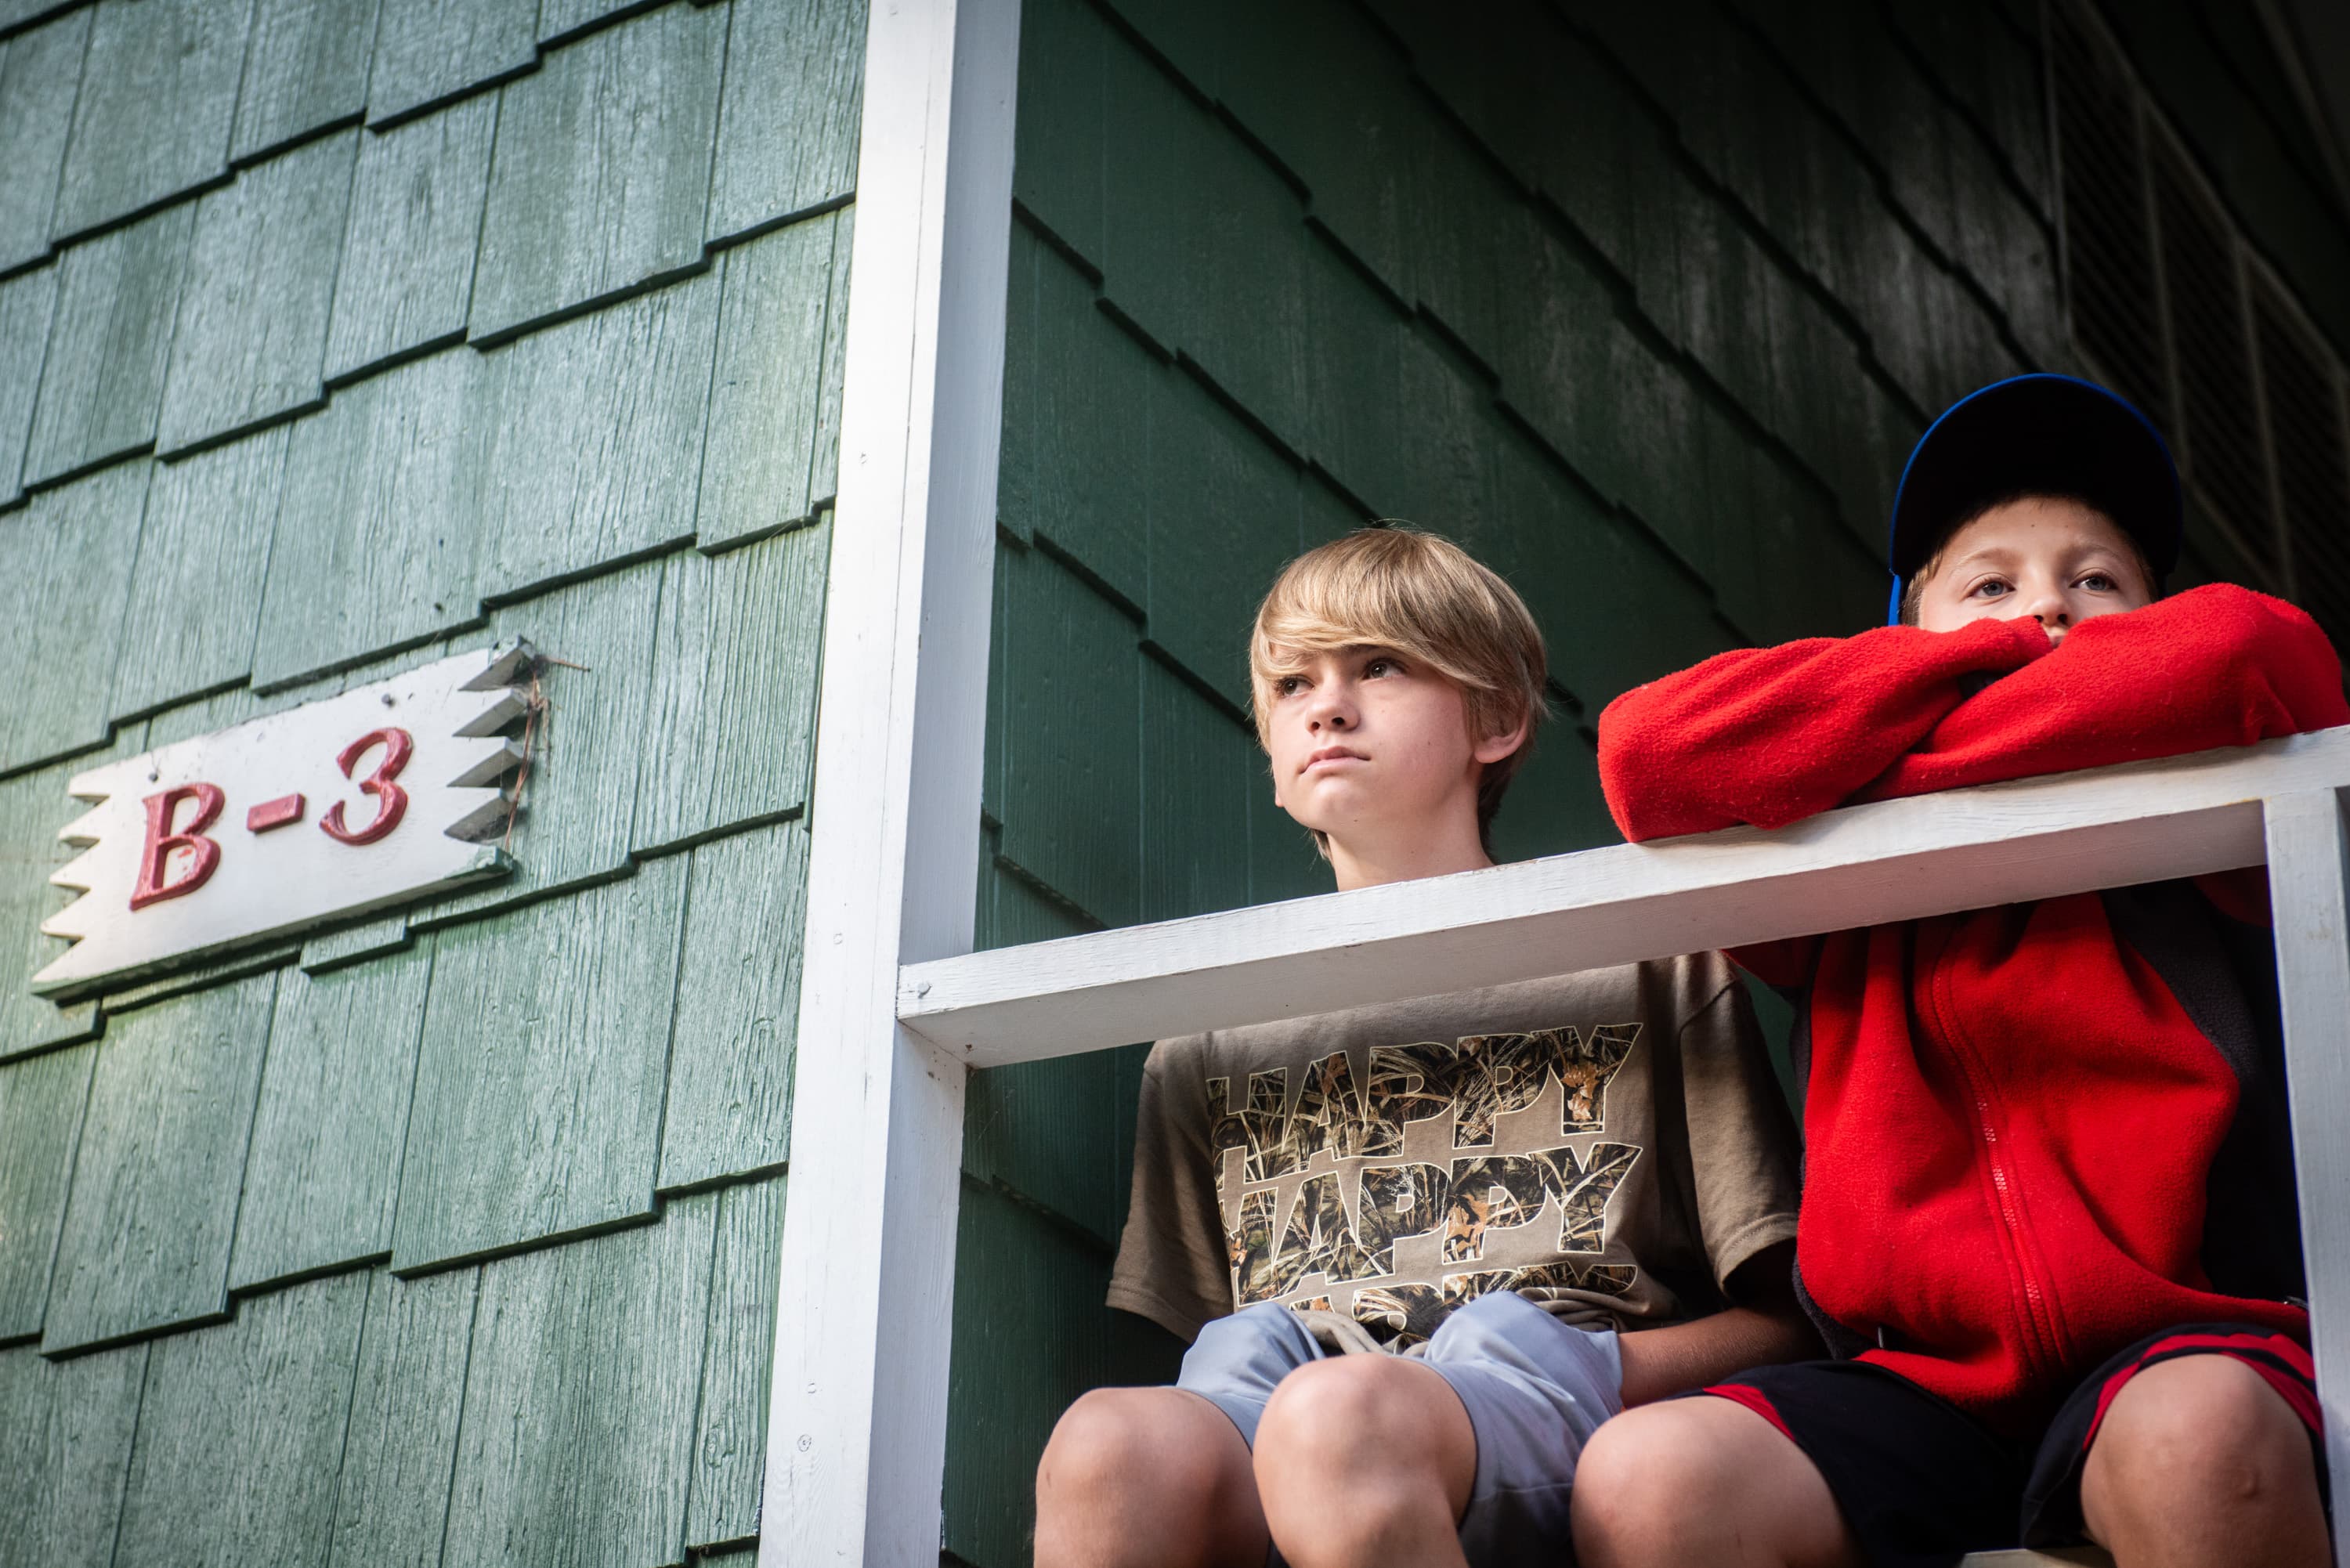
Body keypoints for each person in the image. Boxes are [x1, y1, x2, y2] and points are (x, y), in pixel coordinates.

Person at [1578, 374, 2348, 1568]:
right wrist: (2009, 678)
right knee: (1648, 1477)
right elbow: (1649, 755)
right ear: (1901, 641)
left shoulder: (2199, 833)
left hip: (2185, 1342)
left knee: (2198, 1442)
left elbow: (2255, 651)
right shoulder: (1835, 882)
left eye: (2098, 582)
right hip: (1908, 1376)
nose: (2044, 607)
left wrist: (1884, 744)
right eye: (1987, 587)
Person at [1034, 526, 1818, 1568]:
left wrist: (1590, 1364)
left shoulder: (1640, 962)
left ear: (1493, 718)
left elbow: (1792, 1323)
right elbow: (1204, 1366)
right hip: (1281, 1414)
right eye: (1291, 683)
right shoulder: (1210, 1028)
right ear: (1271, 752)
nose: (1326, 704)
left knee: (1338, 1419)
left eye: (1379, 665)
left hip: (1546, 1413)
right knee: (1103, 1444)